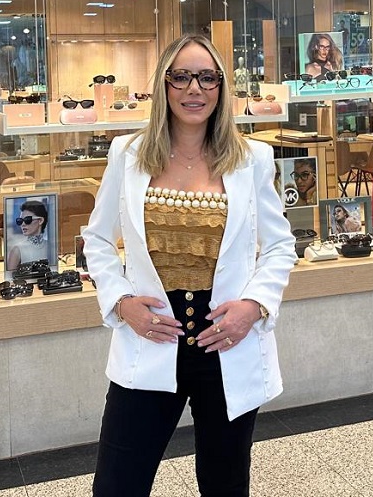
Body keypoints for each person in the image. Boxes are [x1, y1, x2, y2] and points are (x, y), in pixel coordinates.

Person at [84, 34, 295, 497]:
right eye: (180, 77)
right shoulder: (127, 154)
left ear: (221, 87)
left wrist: (253, 307)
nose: (194, 89)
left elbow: (280, 246)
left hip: (225, 340)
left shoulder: (253, 159)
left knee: (225, 483)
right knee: (118, 483)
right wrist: (121, 302)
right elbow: (96, 238)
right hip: (151, 336)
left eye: (206, 78)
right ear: (164, 85)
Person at [5, 198, 51, 271]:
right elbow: (10, 276)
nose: (22, 224)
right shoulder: (17, 250)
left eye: (27, 220)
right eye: (20, 221)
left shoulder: (50, 246)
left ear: (40, 220)